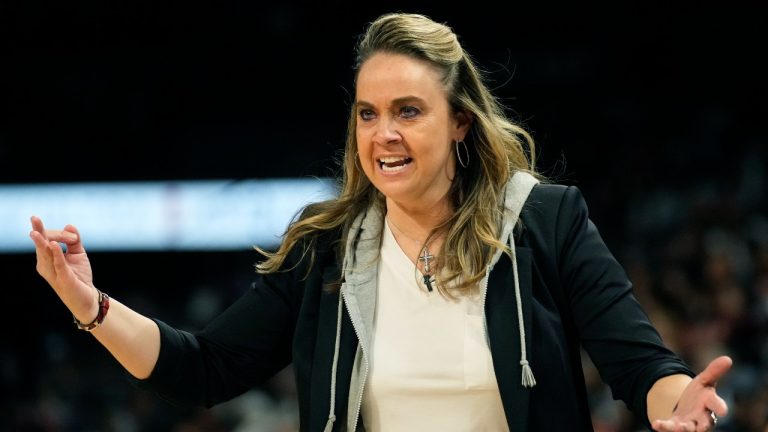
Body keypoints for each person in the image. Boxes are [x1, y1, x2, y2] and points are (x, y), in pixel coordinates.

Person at [30, 12, 731, 432]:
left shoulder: (546, 222)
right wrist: (88, 305)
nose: (382, 134)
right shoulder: (326, 249)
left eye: (407, 111)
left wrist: (682, 406)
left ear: (460, 122)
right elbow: (205, 369)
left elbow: (643, 369)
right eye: (368, 113)